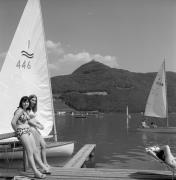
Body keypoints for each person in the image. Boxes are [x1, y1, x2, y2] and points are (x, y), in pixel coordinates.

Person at [11, 96, 50, 179]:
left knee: (35, 150)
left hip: (28, 131)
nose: (26, 103)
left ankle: (42, 167)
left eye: (27, 102)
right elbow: (13, 122)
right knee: (30, 152)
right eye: (24, 102)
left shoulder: (25, 111)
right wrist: (18, 132)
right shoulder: (20, 110)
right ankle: (36, 172)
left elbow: (28, 121)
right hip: (22, 132)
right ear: (21, 102)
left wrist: (38, 124)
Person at [28, 94, 50, 168]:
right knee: (37, 148)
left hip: (35, 128)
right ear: (29, 100)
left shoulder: (32, 109)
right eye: (32, 100)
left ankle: (45, 163)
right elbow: (28, 120)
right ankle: (41, 166)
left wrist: (39, 123)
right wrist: (37, 125)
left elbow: (33, 119)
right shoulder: (27, 109)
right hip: (32, 129)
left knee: (44, 145)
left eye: (35, 100)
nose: (34, 102)